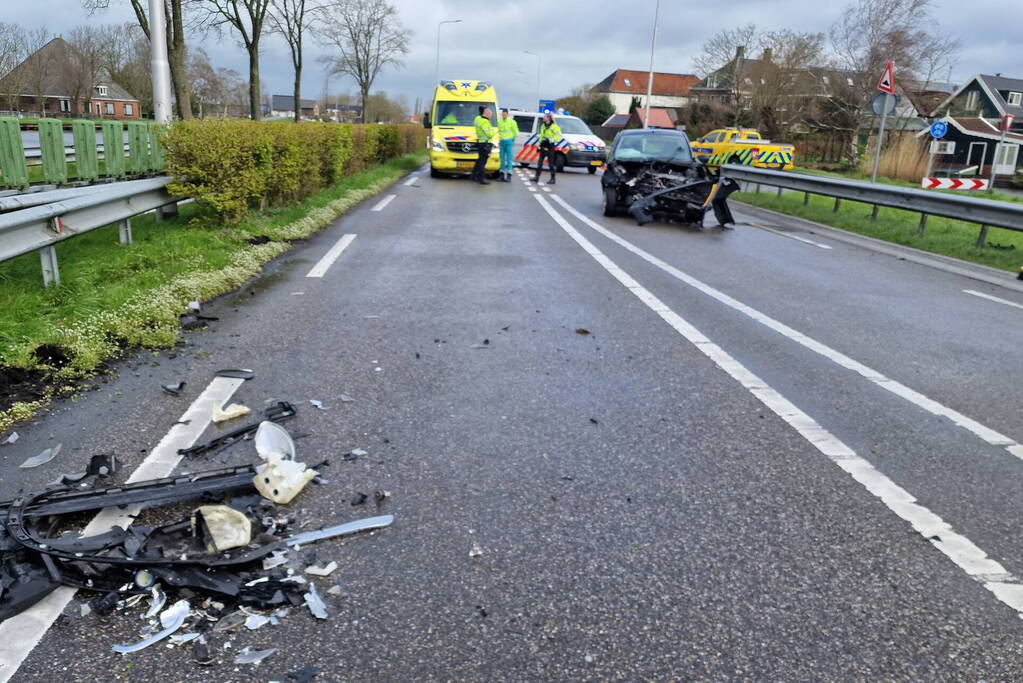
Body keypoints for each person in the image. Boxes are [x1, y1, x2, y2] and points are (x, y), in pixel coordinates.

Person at [533, 112, 561, 185]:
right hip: (543, 145)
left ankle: (553, 179)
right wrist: (539, 146)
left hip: (550, 147)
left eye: (545, 117)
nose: (543, 118)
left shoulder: (555, 127)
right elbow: (542, 136)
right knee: (540, 163)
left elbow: (558, 137)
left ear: (548, 118)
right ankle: (536, 177)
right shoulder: (543, 126)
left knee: (551, 164)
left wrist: (550, 140)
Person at [472, 106, 495, 185]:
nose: (491, 114)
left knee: (479, 160)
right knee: (483, 162)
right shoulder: (485, 122)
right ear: (486, 114)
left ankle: (474, 175)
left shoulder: (477, 119)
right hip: (485, 143)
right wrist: (494, 131)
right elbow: (489, 134)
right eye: (489, 113)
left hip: (480, 142)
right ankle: (481, 178)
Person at [497, 108, 519, 182]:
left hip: (509, 142)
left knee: (509, 159)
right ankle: (502, 175)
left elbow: (516, 132)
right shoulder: (499, 122)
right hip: (502, 142)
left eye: (505, 114)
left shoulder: (512, 122)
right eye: (503, 114)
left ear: (507, 114)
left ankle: (509, 175)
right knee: (502, 159)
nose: (504, 115)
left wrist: (512, 140)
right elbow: (497, 132)